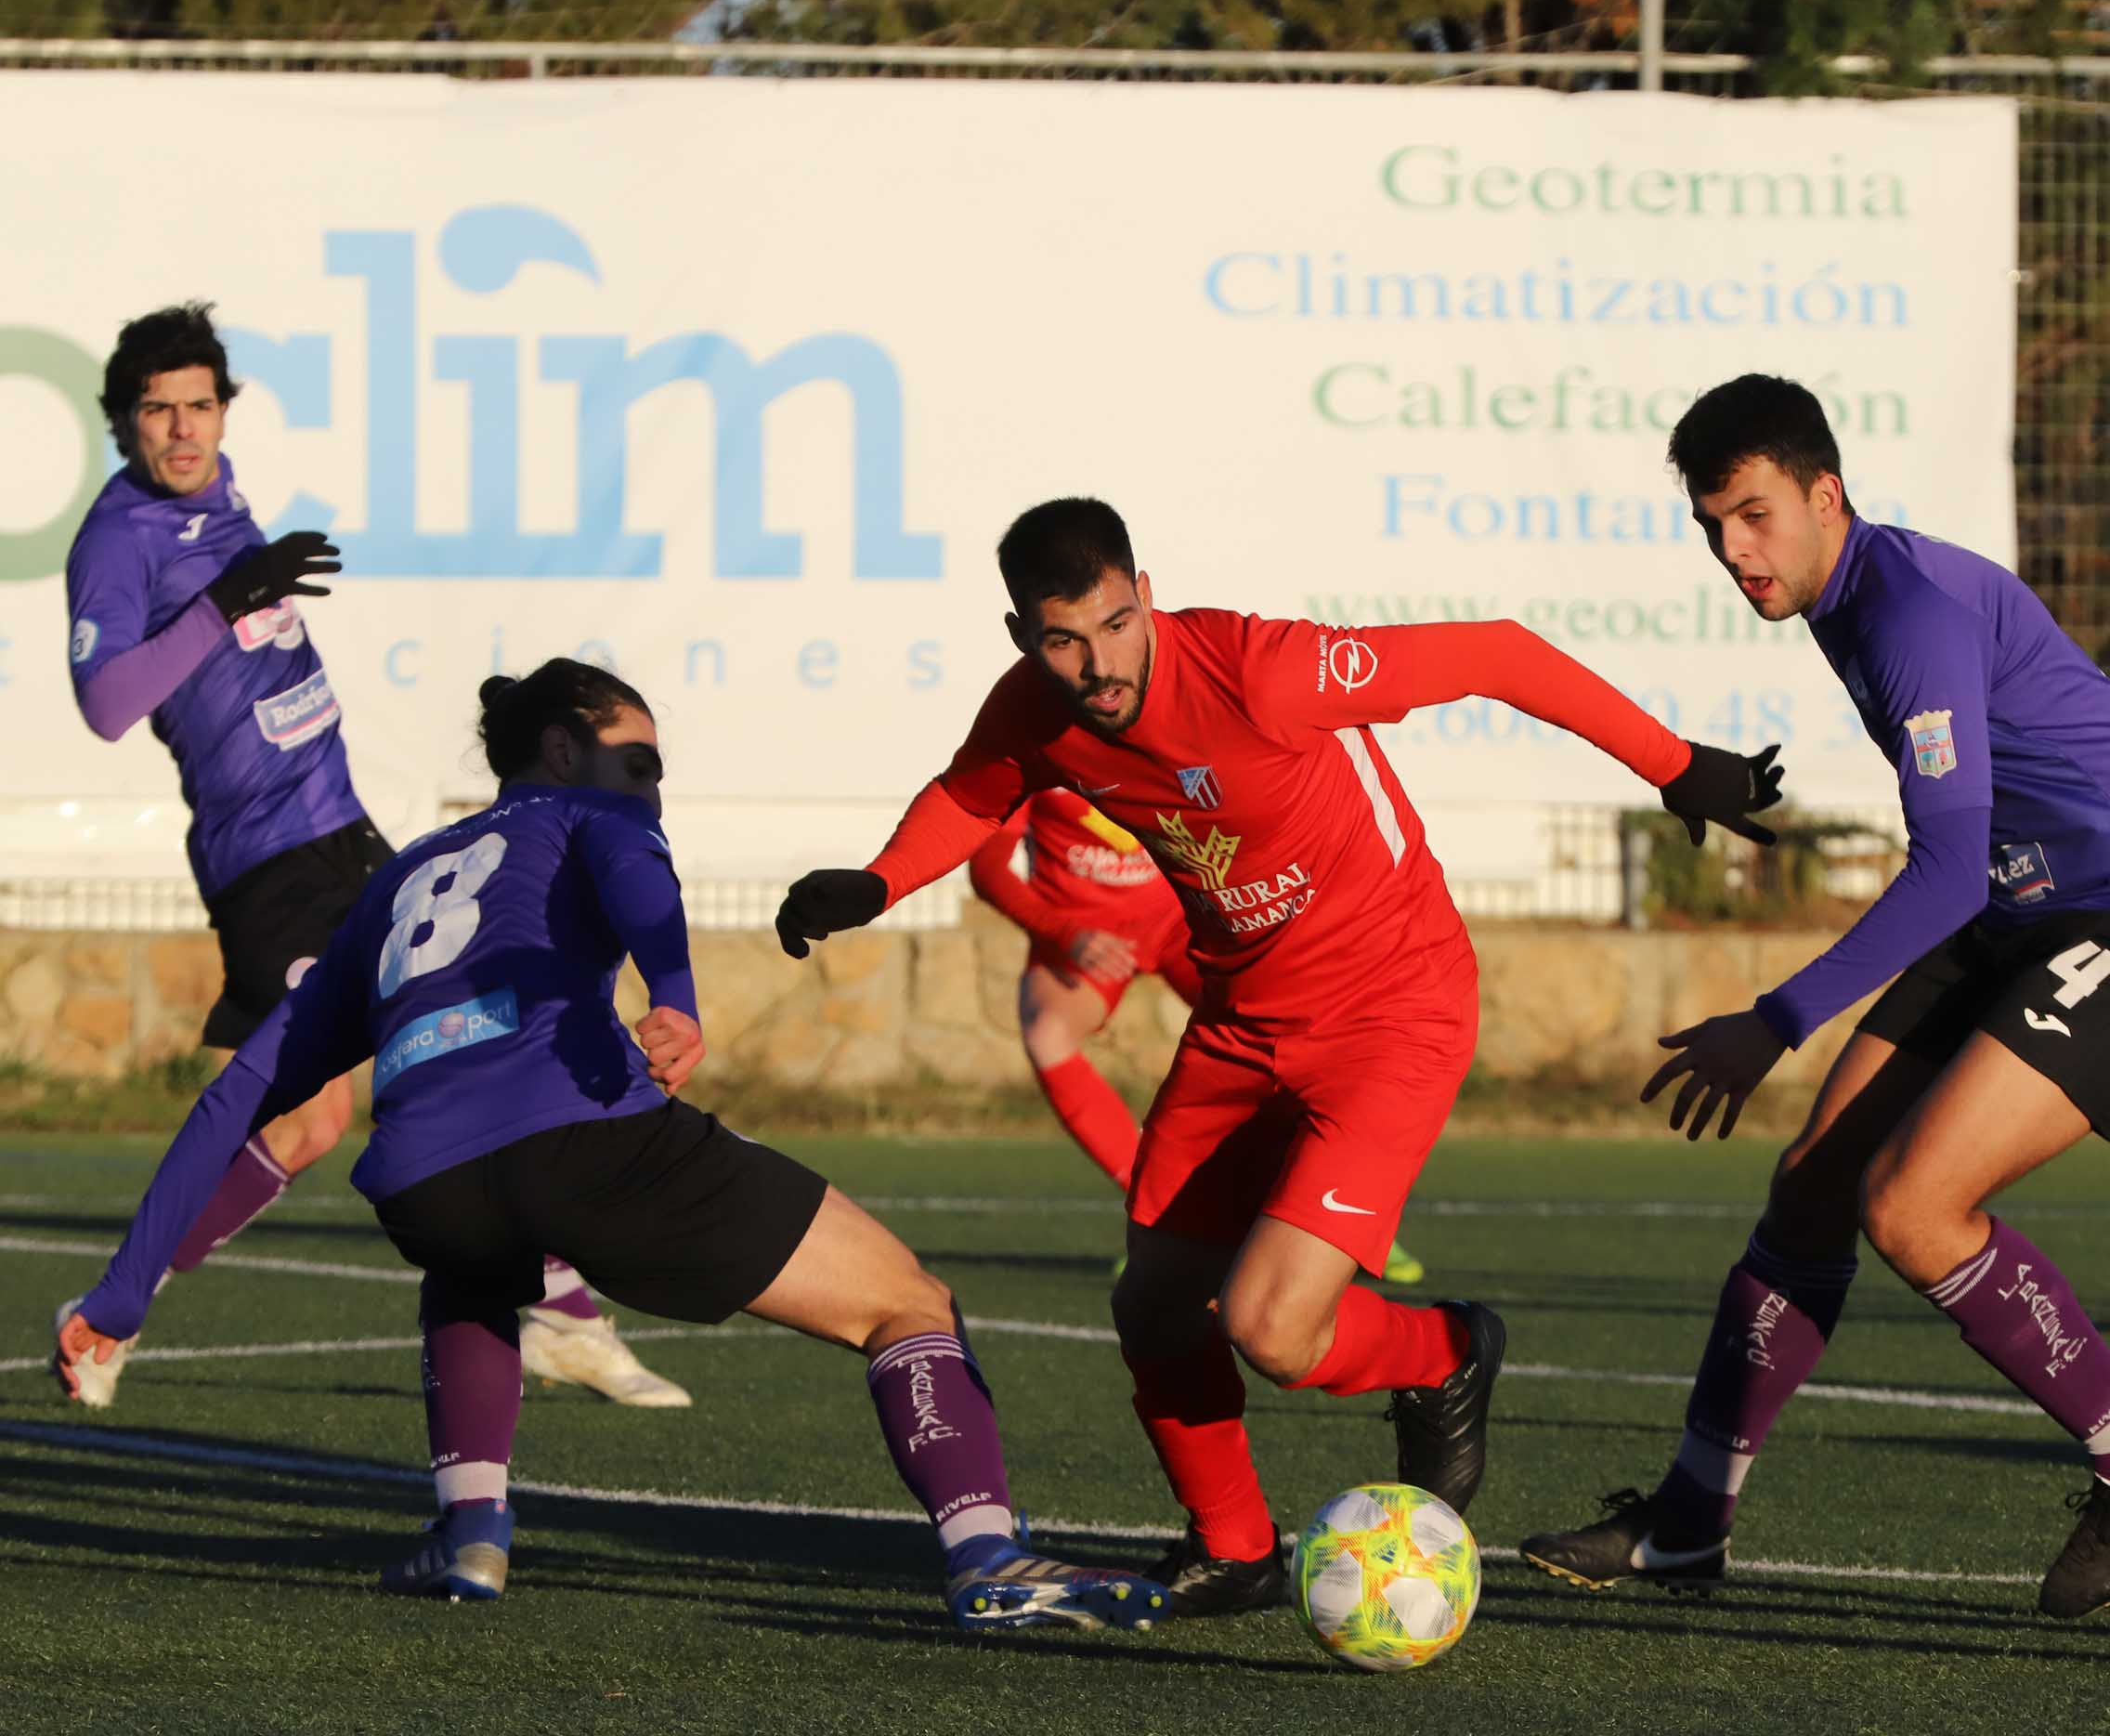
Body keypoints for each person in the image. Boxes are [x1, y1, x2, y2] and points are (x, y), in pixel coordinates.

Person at [775, 497, 1781, 1615]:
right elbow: (975, 790)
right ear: (1023, 635)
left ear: (1144, 593)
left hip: (1391, 1007)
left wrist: (1678, 762)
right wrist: (876, 882)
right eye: (1063, 639)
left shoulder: (1264, 668)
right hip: (1242, 1022)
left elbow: (1497, 653)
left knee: (1271, 1327)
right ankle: (1236, 1545)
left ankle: (1446, 1349)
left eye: (1114, 625)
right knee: (1153, 1303)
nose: (1097, 663)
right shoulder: (1035, 709)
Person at [56, 661, 1167, 1629]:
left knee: (473, 1256)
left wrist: (119, 1293)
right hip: (586, 1149)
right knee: (907, 1300)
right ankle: (985, 1551)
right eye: (638, 758)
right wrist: (674, 996)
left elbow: (238, 1092)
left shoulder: (397, 884)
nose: (652, 783)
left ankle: (473, 1531)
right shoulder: (594, 812)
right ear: (561, 746)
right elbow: (642, 877)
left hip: (422, 1182)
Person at [1519, 373, 2110, 1620]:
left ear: (1824, 494)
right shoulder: (1846, 597)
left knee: (1915, 1210)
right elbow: (1973, 865)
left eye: (1754, 516)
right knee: (1812, 1186)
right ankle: (1688, 1523)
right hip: (2018, 913)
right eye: (1712, 529)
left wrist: (1780, 1018)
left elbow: (1948, 865)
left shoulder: (1903, 608)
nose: (1736, 553)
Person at [51, 304, 685, 1412]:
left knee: (472, 1038)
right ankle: (107, 1311)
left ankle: (565, 1312)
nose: (184, 429)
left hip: (344, 832)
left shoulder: (216, 488)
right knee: (297, 1111)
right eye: (158, 410)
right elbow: (108, 704)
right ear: (122, 423)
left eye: (200, 404)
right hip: (268, 859)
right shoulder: (118, 538)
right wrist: (224, 603)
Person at [967, 790, 1426, 1283]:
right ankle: (1158, 1218)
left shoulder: (1157, 729)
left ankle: (1345, 1207)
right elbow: (988, 866)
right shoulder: (1033, 738)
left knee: (1293, 1028)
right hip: (1083, 938)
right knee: (1048, 1033)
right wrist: (1064, 933)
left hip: (1180, 924)